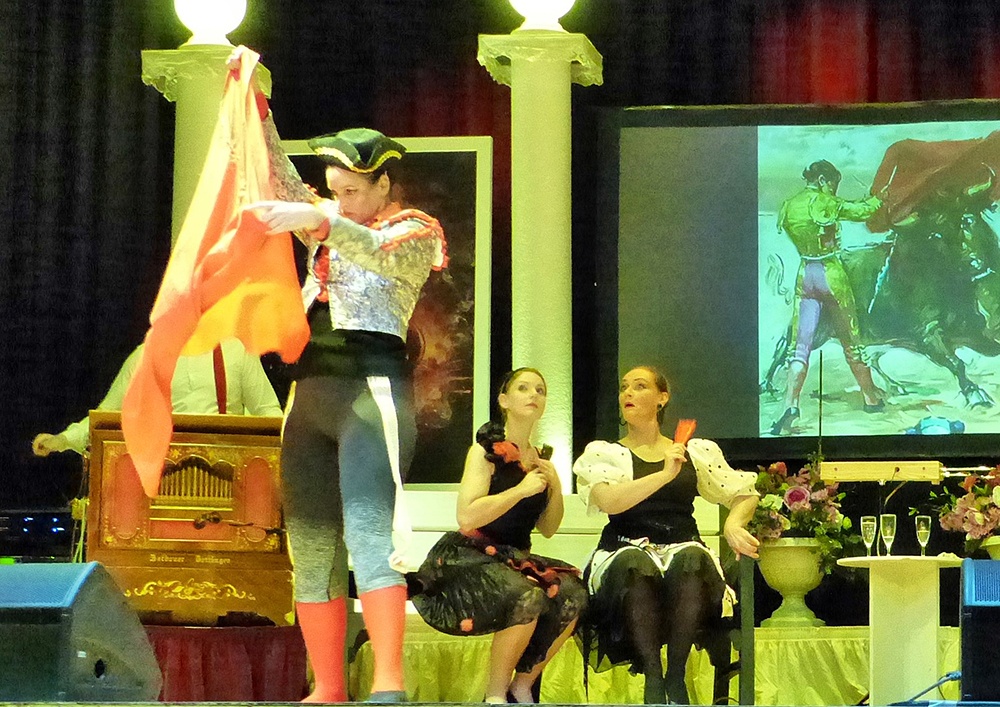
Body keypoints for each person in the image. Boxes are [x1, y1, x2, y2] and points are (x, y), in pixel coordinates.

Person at [249, 126, 447, 703]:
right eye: (335, 190)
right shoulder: (329, 218)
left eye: (353, 190)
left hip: (369, 395)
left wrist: (319, 221)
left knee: (368, 536)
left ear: (383, 184)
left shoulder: (416, 231)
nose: (341, 200)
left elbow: (374, 250)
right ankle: (328, 686)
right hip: (309, 398)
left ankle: (388, 683)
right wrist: (255, 106)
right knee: (311, 549)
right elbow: (281, 180)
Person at [573, 366, 759, 705]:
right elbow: (609, 500)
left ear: (662, 398)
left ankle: (675, 677)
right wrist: (663, 474)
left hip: (681, 549)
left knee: (691, 559)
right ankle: (654, 680)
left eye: (639, 386)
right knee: (634, 563)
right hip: (624, 551)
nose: (628, 393)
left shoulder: (693, 451)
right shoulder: (605, 453)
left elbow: (745, 493)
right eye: (624, 387)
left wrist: (733, 524)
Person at [410, 368, 586, 704]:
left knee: (573, 594)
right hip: (472, 555)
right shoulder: (485, 452)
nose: (533, 395)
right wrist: (520, 490)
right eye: (523, 388)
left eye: (540, 390)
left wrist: (556, 485)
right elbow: (467, 516)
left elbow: (549, 528)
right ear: (504, 400)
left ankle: (522, 686)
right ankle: (494, 695)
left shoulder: (540, 459)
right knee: (526, 595)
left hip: (515, 557)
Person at [770, 159, 885, 435]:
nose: (834, 190)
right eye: (833, 184)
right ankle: (870, 397)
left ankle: (790, 404)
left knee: (800, 348)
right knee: (852, 341)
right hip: (831, 273)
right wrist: (879, 198)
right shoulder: (826, 201)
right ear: (822, 180)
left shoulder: (789, 205)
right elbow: (861, 211)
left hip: (805, 275)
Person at [32, 338, 282, 457]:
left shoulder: (237, 352)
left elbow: (270, 415)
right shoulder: (146, 355)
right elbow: (107, 417)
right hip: (160, 481)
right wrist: (63, 440)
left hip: (227, 480)